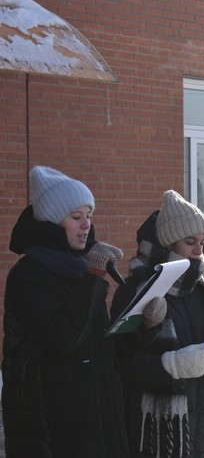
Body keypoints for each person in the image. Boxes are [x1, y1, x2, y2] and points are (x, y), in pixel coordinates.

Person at [115, 190, 204, 458]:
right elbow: (123, 364)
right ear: (169, 243)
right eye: (190, 241)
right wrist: (172, 365)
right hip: (157, 438)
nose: (199, 250)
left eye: (202, 241)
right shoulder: (136, 290)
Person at [2, 166, 128, 457]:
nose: (86, 225)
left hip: (98, 425)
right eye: (76, 217)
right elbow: (62, 339)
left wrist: (147, 324)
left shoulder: (82, 270)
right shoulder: (28, 276)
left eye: (89, 216)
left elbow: (104, 351)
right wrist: (94, 278)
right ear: (52, 222)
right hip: (54, 432)